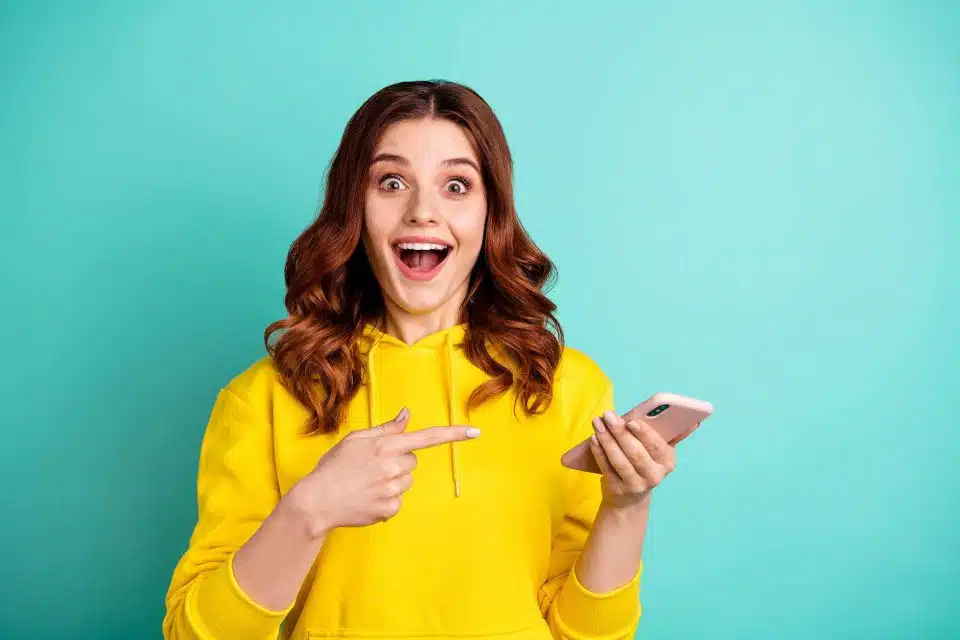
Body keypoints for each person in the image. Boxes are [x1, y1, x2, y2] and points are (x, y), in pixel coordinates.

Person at [163, 80, 682, 640]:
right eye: (391, 182)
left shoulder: (565, 387)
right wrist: (307, 512)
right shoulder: (264, 397)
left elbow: (587, 634)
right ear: (353, 208)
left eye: (456, 185)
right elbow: (195, 633)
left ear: (491, 213)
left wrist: (627, 507)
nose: (422, 213)